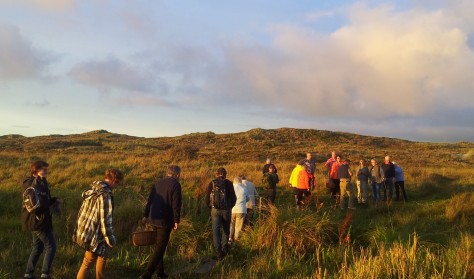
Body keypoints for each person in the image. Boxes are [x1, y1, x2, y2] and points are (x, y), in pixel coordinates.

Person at [74, 169, 124, 279]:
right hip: (95, 234)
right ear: (114, 181)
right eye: (118, 183)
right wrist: (110, 240)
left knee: (101, 256)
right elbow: (105, 221)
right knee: (88, 261)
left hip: (86, 230)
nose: (117, 187)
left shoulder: (93, 189)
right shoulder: (105, 196)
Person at [140, 165, 182, 279]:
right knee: (160, 248)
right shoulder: (176, 185)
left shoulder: (158, 182)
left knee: (158, 246)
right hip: (165, 220)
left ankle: (160, 273)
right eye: (180, 175)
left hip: (153, 218)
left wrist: (145, 215)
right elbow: (176, 205)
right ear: (177, 174)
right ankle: (147, 274)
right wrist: (176, 220)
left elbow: (149, 200)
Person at [22, 161, 60, 279]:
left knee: (37, 247)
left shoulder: (41, 182)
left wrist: (53, 200)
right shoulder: (34, 184)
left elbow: (44, 201)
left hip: (35, 221)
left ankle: (28, 273)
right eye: (44, 169)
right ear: (36, 170)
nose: (46, 170)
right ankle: (45, 274)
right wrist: (51, 203)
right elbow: (38, 205)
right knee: (51, 246)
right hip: (38, 221)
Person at [205, 168, 237, 260]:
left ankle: (218, 252)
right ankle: (224, 249)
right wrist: (230, 206)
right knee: (226, 230)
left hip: (215, 210)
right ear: (225, 174)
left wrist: (211, 207)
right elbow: (234, 198)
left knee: (216, 231)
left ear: (216, 174)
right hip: (226, 210)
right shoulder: (229, 183)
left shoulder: (212, 183)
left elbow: (207, 199)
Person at [229, 176, 249, 243]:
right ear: (240, 181)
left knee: (231, 224)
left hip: (232, 209)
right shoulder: (244, 188)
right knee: (238, 227)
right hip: (241, 209)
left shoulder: (231, 188)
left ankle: (229, 238)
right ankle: (236, 241)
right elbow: (248, 199)